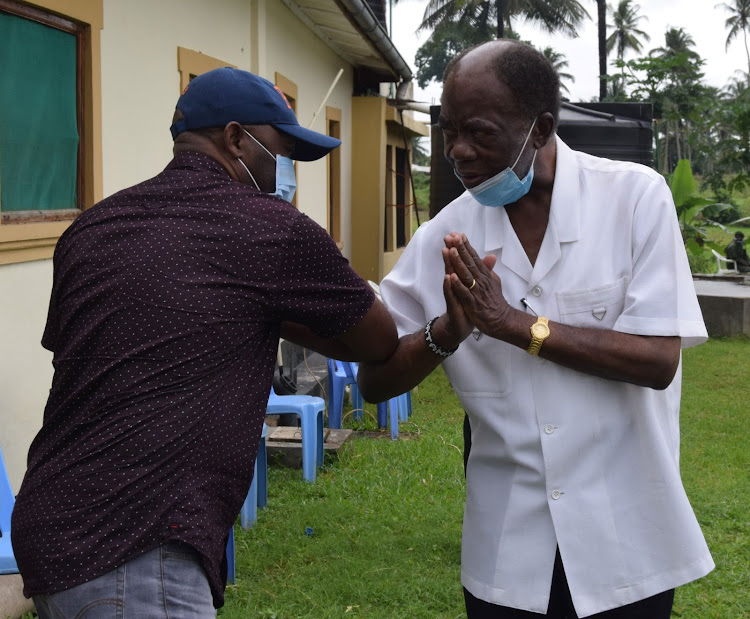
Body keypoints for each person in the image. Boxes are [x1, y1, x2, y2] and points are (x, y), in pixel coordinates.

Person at [11, 67, 397, 618]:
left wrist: (251, 312)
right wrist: (271, 313)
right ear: (236, 138)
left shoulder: (91, 227)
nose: (284, 172)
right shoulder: (271, 229)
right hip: (137, 543)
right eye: (282, 152)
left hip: (53, 522)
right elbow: (377, 337)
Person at [357, 40, 714, 618]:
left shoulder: (633, 199)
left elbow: (657, 360)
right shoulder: (443, 238)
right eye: (450, 133)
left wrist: (516, 325)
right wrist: (446, 332)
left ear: (541, 127)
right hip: (507, 558)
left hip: (625, 546)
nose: (459, 152)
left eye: (481, 133)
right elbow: (375, 381)